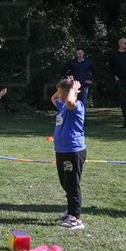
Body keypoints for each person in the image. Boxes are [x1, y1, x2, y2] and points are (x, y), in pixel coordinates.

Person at [50, 78, 87, 230]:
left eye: (61, 92)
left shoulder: (76, 106)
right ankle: (70, 210)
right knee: (65, 182)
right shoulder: (63, 106)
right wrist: (61, 89)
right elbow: (53, 98)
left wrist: (73, 88)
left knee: (72, 183)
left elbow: (71, 101)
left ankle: (76, 218)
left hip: (73, 151)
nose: (58, 95)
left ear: (69, 93)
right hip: (62, 150)